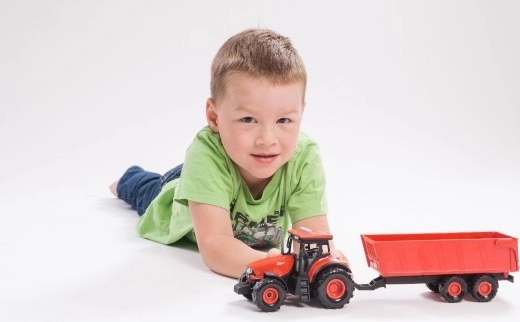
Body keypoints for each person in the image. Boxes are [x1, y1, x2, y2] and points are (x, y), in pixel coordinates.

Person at [110, 28, 346, 278]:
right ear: (214, 116)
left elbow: (314, 235)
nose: (267, 140)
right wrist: (275, 267)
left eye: (284, 120)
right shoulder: (205, 154)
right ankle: (129, 179)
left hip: (225, 169)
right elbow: (215, 246)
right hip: (183, 197)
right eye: (248, 119)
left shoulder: (304, 157)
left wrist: (326, 263)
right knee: (147, 191)